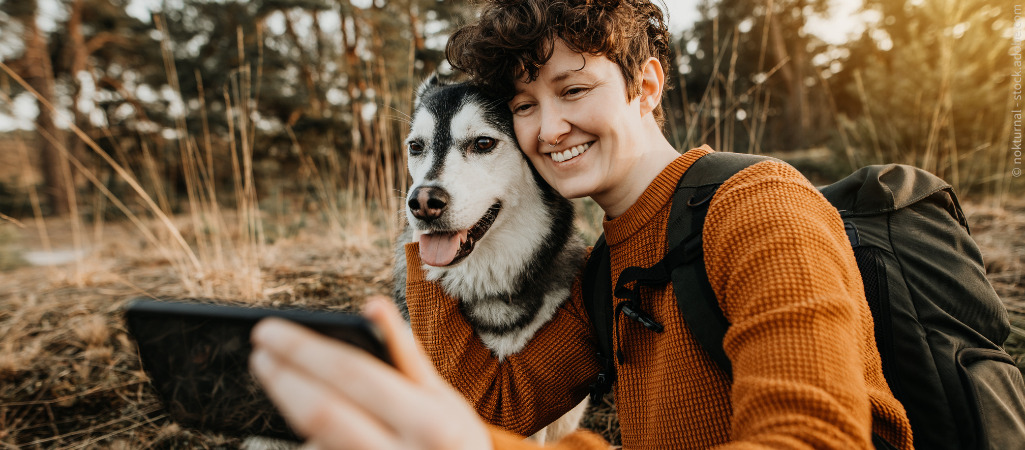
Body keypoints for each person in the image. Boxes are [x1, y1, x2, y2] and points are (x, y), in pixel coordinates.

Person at [250, 0, 915, 448]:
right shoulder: (605, 266)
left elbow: (810, 439)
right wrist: (434, 241)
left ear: (646, 86)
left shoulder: (759, 205)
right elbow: (498, 407)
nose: (548, 128)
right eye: (523, 106)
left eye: (572, 91)